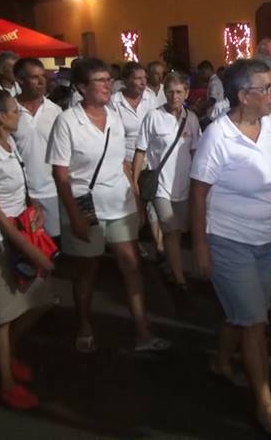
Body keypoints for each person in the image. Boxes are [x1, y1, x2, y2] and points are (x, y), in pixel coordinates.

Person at [190, 58, 271, 436]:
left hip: (265, 241)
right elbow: (198, 194)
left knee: (248, 311)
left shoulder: (269, 130)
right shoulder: (219, 136)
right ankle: (265, 404)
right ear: (243, 95)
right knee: (255, 322)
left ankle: (221, 362)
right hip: (229, 240)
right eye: (267, 88)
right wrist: (201, 248)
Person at [46, 58, 169, 354]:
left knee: (132, 265)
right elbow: (60, 174)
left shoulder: (113, 116)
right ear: (80, 88)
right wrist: (74, 216)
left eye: (107, 79)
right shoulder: (67, 121)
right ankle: (85, 324)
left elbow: (123, 164)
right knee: (88, 266)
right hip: (85, 202)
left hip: (119, 200)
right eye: (98, 81)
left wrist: (136, 199)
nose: (106, 85)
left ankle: (142, 330)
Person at [0, 90, 56, 410]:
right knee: (1, 315)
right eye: (13, 110)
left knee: (40, 300)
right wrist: (28, 249)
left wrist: (33, 211)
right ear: (0, 117)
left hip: (19, 234)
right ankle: (5, 381)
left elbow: (18, 187)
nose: (19, 113)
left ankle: (3, 355)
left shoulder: (9, 143)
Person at [133, 71, 201, 294]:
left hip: (183, 186)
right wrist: (135, 182)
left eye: (179, 92)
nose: (174, 96)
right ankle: (180, 279)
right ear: (164, 93)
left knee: (179, 231)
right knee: (170, 231)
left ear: (186, 93)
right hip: (161, 185)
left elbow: (196, 152)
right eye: (170, 92)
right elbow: (141, 151)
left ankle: (173, 266)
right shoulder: (153, 116)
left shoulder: (191, 118)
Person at [111, 61, 163, 259]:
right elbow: (113, 134)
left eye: (144, 78)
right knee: (132, 203)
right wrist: (124, 163)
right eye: (138, 78)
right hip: (125, 160)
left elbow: (158, 123)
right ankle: (135, 244)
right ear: (126, 81)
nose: (143, 82)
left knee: (151, 201)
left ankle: (159, 246)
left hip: (150, 158)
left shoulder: (151, 97)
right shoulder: (115, 102)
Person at [11, 57, 63, 239]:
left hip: (52, 191)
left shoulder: (56, 112)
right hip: (19, 195)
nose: (42, 81)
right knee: (27, 248)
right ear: (19, 80)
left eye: (43, 76)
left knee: (54, 246)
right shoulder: (9, 111)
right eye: (35, 77)